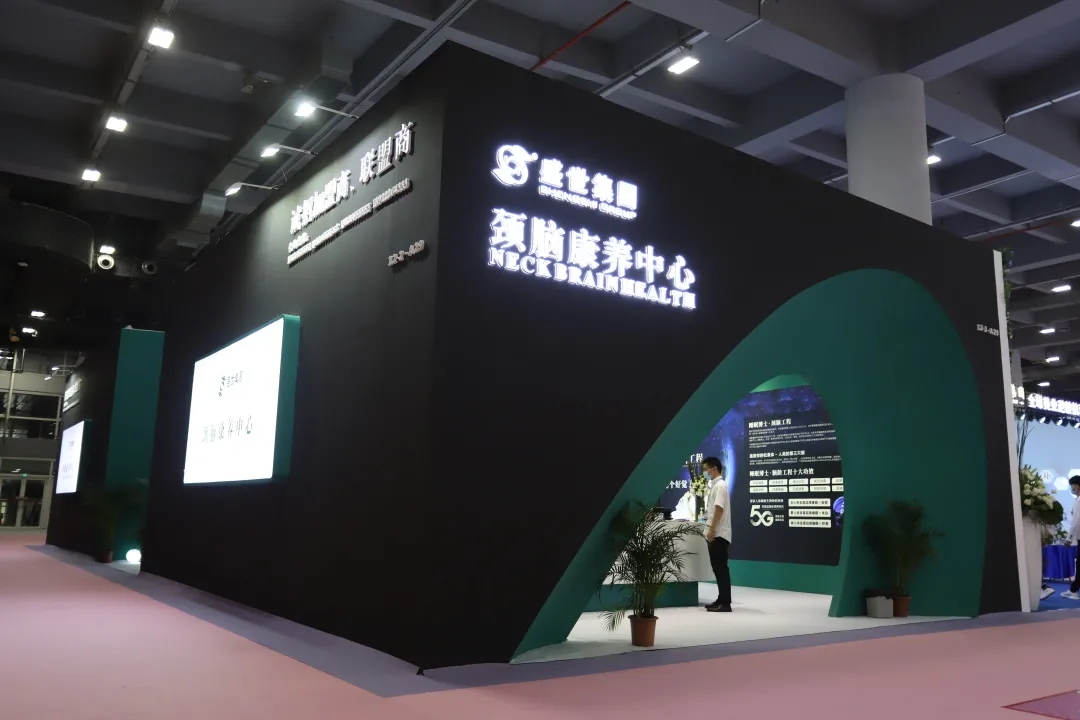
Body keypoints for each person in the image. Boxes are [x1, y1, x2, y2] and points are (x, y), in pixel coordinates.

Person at [702, 456, 732, 612]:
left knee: (721, 568)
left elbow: (719, 509)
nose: (705, 472)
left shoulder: (720, 486)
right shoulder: (715, 486)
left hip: (719, 534)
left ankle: (725, 603)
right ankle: (721, 599)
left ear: (714, 469)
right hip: (716, 533)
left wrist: (712, 529)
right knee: (717, 568)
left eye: (706, 469)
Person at [1062, 476, 1080, 600]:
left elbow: (1076, 522)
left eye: (1072, 485)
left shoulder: (1078, 501)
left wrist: (1069, 538)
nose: (1071, 488)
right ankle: (1073, 589)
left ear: (1077, 486)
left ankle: (1073, 591)